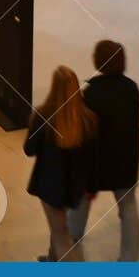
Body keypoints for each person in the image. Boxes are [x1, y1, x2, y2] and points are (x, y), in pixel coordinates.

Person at [68, 40, 139, 262]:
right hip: (126, 162)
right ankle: (129, 259)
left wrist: (86, 176)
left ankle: (68, 247)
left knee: (79, 205)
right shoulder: (131, 88)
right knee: (128, 209)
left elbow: (88, 137)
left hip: (97, 164)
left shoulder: (91, 94)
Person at [26, 65, 99, 262]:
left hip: (49, 186)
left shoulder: (42, 117)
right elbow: (93, 158)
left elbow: (29, 149)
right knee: (58, 225)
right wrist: (91, 187)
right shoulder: (88, 119)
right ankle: (52, 259)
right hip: (74, 187)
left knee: (60, 233)